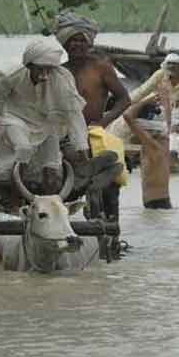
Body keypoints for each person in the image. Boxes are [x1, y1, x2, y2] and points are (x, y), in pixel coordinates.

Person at [0, 40, 89, 208]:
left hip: (47, 122)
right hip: (16, 118)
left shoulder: (62, 78)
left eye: (48, 69)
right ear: (29, 65)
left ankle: (52, 207)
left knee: (52, 166)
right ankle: (15, 204)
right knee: (23, 149)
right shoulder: (8, 75)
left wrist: (81, 146)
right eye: (40, 69)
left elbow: (73, 112)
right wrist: (6, 119)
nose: (45, 75)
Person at [55, 12, 130, 221]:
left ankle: (112, 233)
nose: (77, 45)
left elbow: (124, 99)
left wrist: (104, 121)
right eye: (72, 41)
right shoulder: (59, 72)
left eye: (81, 40)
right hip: (68, 139)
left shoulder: (101, 67)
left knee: (111, 185)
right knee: (72, 186)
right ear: (64, 44)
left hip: (96, 134)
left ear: (89, 43)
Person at [123, 95, 172, 209]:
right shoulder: (164, 140)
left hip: (156, 204)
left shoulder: (153, 145)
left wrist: (144, 101)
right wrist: (166, 99)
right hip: (160, 202)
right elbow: (168, 119)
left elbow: (127, 117)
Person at [129, 53, 179, 125]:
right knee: (135, 111)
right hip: (160, 109)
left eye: (175, 64)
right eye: (169, 63)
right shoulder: (160, 74)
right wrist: (127, 102)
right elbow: (142, 91)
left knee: (176, 124)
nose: (171, 66)